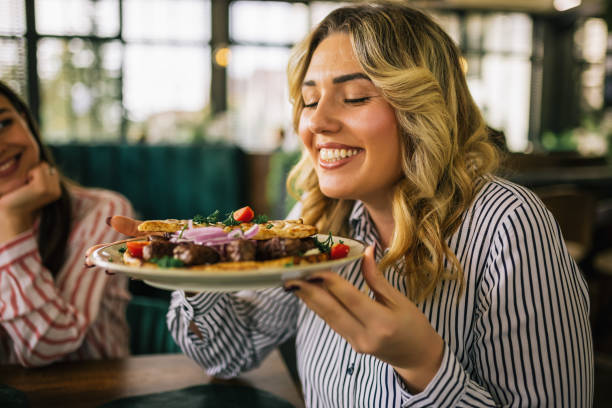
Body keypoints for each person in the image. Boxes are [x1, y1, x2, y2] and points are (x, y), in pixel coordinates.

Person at [107, 3, 592, 406]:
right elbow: (228, 354)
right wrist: (197, 263)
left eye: (355, 97)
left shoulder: (509, 226)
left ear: (422, 110)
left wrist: (424, 364)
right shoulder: (317, 221)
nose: (317, 122)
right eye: (309, 99)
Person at [0, 81, 134, 367]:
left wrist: (12, 220)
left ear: (26, 121)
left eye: (3, 124)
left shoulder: (103, 211)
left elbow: (48, 346)